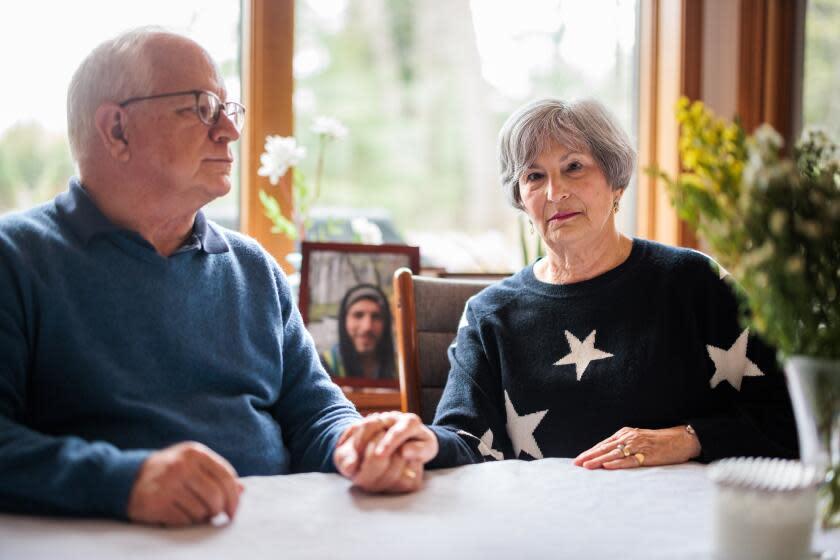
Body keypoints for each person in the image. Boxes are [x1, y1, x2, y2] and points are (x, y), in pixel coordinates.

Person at [0, 28, 437, 526]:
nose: (229, 130)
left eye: (230, 110)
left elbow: (315, 413)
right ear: (117, 129)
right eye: (203, 107)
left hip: (274, 535)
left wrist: (357, 444)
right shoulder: (16, 257)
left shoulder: (252, 268)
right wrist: (124, 481)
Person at [382, 98, 798, 470]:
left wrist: (688, 439)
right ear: (521, 199)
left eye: (574, 167)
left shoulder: (693, 283)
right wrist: (414, 441)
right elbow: (464, 439)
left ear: (616, 181)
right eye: (534, 177)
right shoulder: (489, 314)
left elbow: (789, 419)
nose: (555, 192)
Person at [321, 284, 396, 380]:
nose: (367, 327)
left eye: (376, 316)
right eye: (358, 315)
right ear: (344, 321)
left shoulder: (403, 369)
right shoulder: (322, 366)